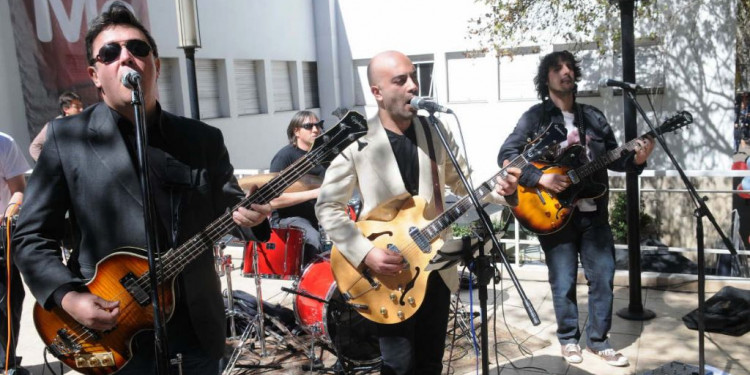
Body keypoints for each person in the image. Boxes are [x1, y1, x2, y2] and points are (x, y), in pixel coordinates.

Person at [12, 3, 270, 374]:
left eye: (138, 48)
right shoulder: (65, 140)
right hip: (111, 330)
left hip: (195, 332)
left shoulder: (201, 139)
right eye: (110, 52)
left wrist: (252, 218)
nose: (126, 57)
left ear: (156, 65)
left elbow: (229, 206)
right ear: (95, 74)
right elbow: (31, 237)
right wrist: (67, 297)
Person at [315, 50, 520, 375]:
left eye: (415, 77)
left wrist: (502, 190)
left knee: (430, 363)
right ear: (377, 92)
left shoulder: (435, 131)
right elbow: (328, 208)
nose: (414, 86)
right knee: (398, 365)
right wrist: (365, 253)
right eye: (401, 80)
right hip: (387, 271)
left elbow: (465, 182)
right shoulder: (357, 143)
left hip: (435, 267)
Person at [498, 50, 654, 367]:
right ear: (547, 78)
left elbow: (615, 159)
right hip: (553, 214)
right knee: (564, 281)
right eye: (558, 68)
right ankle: (569, 339)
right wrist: (539, 178)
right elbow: (507, 155)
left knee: (603, 277)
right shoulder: (535, 118)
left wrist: (636, 158)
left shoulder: (594, 118)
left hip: (594, 213)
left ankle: (598, 341)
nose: (566, 72)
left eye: (570, 67)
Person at [269, 110, 326, 264]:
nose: (315, 130)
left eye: (318, 125)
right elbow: (272, 200)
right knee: (313, 238)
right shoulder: (285, 156)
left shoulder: (322, 156)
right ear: (296, 131)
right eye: (309, 126)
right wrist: (314, 193)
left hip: (317, 217)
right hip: (287, 219)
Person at [0, 132, 29, 375]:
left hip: (1, 233)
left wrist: (8, 215)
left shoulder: (4, 142)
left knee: (9, 298)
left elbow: (18, 189)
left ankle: (6, 361)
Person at [29, 91, 84, 161]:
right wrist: (49, 164)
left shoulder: (84, 123)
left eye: (81, 106)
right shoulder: (53, 126)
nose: (81, 109)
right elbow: (34, 147)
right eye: (77, 107)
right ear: (66, 109)